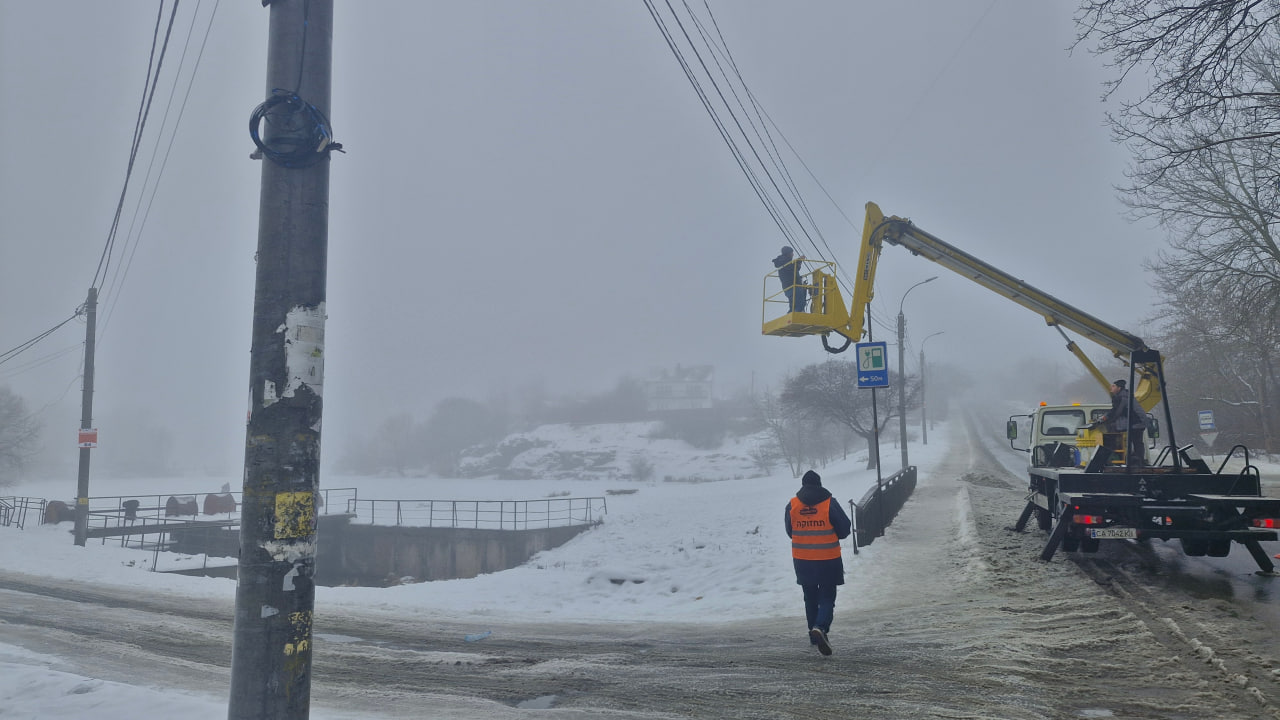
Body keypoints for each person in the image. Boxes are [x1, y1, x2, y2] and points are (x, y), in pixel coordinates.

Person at [784, 469, 851, 656]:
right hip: (828, 558)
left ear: (803, 485)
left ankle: (814, 636)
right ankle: (820, 627)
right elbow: (844, 529)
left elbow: (790, 531)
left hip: (803, 560)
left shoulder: (792, 505)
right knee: (827, 597)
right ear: (819, 484)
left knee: (810, 597)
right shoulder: (830, 503)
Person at [1103, 379, 1147, 466]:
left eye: (1113, 386)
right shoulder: (1124, 396)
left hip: (1136, 423)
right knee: (1136, 442)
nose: (1111, 387)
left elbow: (1117, 411)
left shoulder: (1123, 397)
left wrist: (1106, 418)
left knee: (1136, 442)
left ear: (1119, 388)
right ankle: (1137, 461)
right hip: (1136, 422)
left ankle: (1138, 463)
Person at [772, 246, 807, 312]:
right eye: (791, 253)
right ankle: (797, 316)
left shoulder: (782, 261)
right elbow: (793, 268)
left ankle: (790, 317)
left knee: (793, 306)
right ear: (787, 253)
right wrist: (799, 260)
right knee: (800, 305)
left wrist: (799, 261)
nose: (793, 254)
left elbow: (794, 269)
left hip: (788, 288)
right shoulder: (785, 261)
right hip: (794, 287)